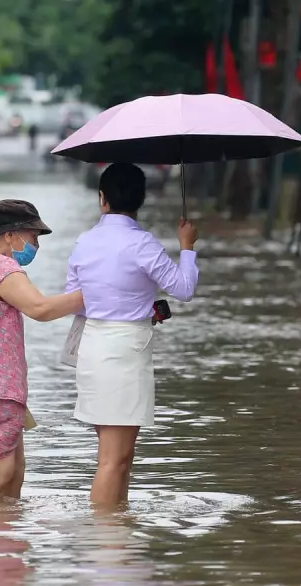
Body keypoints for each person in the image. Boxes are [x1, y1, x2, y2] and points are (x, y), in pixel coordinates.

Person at [65, 163, 199, 508]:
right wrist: (187, 246)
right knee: (114, 459)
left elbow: (76, 300)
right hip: (123, 352)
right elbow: (183, 289)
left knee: (119, 457)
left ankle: (116, 535)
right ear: (140, 200)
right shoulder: (141, 244)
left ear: (102, 199)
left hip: (93, 347)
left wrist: (132, 303)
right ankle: (104, 539)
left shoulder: (85, 242)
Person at [0, 199, 84, 504]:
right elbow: (40, 308)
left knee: (13, 471)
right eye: (33, 237)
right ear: (10, 236)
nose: (36, 245)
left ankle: (1, 539)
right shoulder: (1, 266)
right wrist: (93, 293)